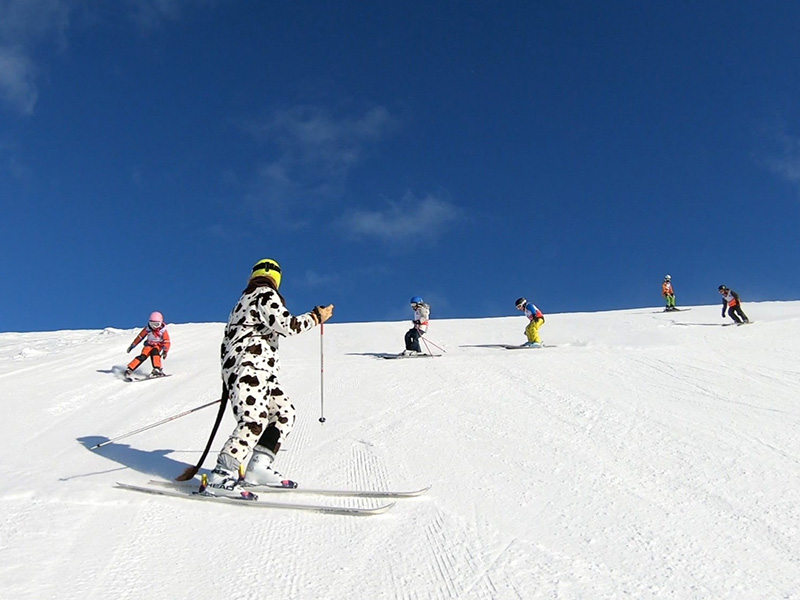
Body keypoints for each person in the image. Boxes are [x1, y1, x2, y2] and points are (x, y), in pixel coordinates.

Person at [205, 258, 333, 494]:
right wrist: (316, 317)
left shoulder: (245, 300)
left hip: (259, 371)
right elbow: (288, 325)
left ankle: (258, 467)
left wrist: (229, 375)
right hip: (249, 369)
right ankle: (221, 475)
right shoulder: (264, 294)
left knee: (284, 413)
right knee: (253, 420)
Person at [124, 311, 171, 380]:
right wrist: (133, 345)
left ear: (160, 323)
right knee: (142, 356)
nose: (154, 327)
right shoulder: (147, 329)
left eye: (156, 324)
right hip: (148, 345)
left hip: (158, 346)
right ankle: (129, 369)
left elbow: (167, 341)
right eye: (152, 324)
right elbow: (140, 337)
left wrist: (165, 350)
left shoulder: (163, 331)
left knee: (155, 352)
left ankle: (157, 369)